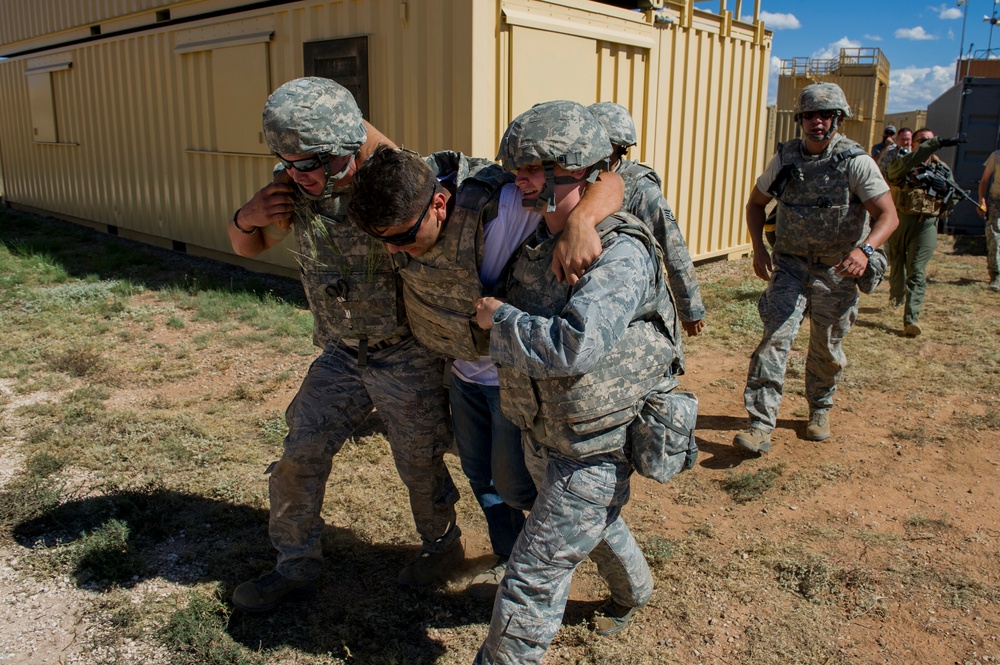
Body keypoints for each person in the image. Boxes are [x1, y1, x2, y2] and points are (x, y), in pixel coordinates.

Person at [227, 77, 464, 612]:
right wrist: (248, 217)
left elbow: (387, 150)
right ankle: (294, 565)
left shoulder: (395, 182)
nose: (301, 175)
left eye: (314, 163)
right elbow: (248, 244)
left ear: (346, 148)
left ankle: (442, 545)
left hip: (406, 352)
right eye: (290, 162)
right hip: (340, 353)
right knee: (299, 454)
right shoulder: (292, 184)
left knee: (419, 463)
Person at [346, 145, 623, 589]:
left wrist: (581, 220)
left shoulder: (503, 207)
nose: (392, 249)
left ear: (439, 203)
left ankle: (600, 560)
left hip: (508, 379)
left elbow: (608, 179)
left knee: (521, 486)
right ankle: (510, 555)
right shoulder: (403, 191)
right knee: (480, 473)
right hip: (461, 373)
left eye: (399, 237)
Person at [472, 100, 687, 664]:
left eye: (537, 169)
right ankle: (635, 589)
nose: (521, 178)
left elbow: (575, 343)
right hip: (548, 429)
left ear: (579, 172)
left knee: (532, 577)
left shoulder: (620, 252)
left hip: (597, 445)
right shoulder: (542, 238)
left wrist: (500, 319)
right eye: (518, 167)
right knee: (595, 525)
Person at [732, 83, 898, 454]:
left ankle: (820, 409)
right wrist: (758, 249)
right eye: (810, 115)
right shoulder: (786, 159)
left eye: (825, 115)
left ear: (838, 119)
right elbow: (755, 204)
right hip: (790, 267)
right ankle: (759, 426)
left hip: (838, 272)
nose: (817, 121)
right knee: (774, 341)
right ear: (800, 120)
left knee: (826, 347)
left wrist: (865, 250)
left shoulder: (855, 162)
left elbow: (888, 216)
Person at [588, 101, 707, 336]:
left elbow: (673, 246)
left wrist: (690, 308)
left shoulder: (640, 187)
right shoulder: (575, 180)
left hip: (630, 301)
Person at [882, 128, 964, 337]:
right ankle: (896, 294)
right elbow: (892, 175)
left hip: (926, 224)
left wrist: (944, 189)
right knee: (898, 262)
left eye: (931, 140)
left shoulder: (942, 170)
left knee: (917, 270)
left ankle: (911, 319)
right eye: (924, 141)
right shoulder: (902, 163)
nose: (929, 144)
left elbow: (953, 198)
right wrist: (936, 142)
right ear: (914, 144)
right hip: (901, 221)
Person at [978, 148, 1000, 292]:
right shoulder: (996, 156)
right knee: (994, 236)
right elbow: (984, 180)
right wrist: (982, 201)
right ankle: (996, 275)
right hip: (996, 201)